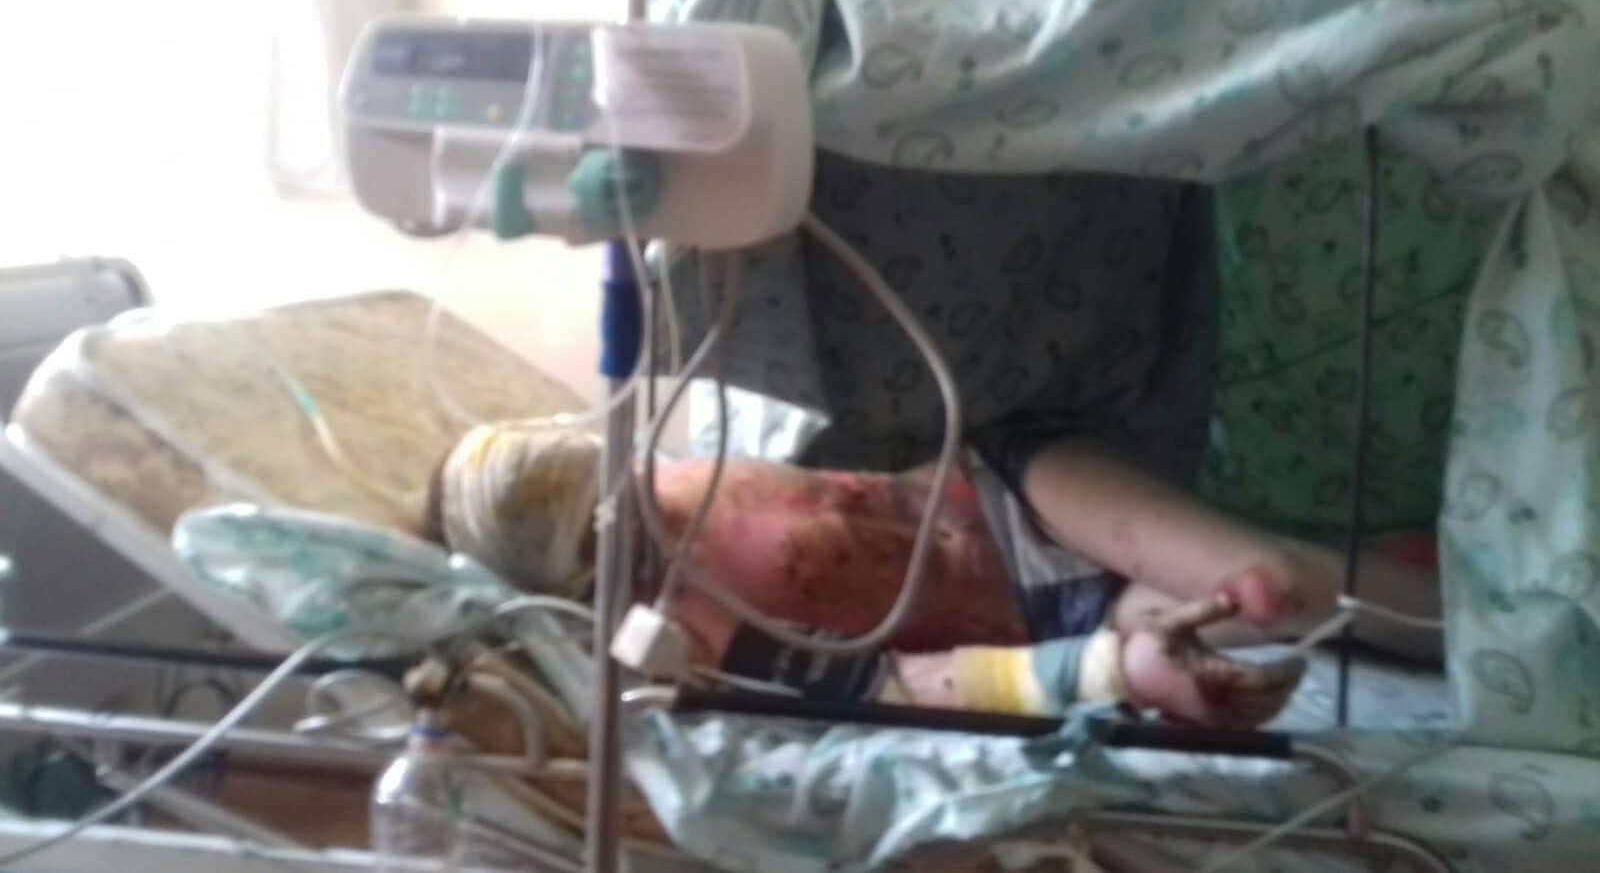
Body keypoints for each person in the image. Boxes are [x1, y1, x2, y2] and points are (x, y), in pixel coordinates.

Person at [422, 424, 1440, 730]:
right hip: (1057, 616)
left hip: (1013, 493)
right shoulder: (684, 638)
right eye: (613, 523)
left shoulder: (675, 458)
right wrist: (1116, 671)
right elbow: (895, 689)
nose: (637, 500)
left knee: (1282, 578)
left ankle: (1502, 618)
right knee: (1265, 607)